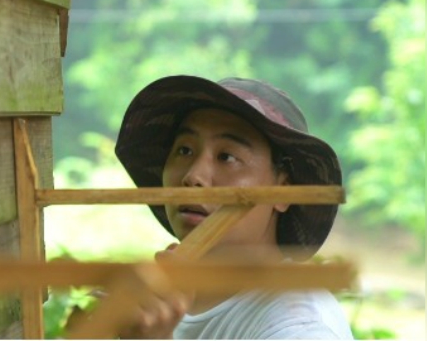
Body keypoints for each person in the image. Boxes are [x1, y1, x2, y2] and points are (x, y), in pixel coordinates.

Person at [112, 75, 354, 339]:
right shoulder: (157, 304)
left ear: (283, 190)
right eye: (184, 150)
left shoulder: (297, 326)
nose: (193, 176)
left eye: (226, 157)